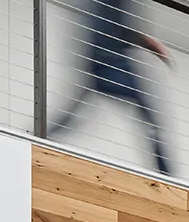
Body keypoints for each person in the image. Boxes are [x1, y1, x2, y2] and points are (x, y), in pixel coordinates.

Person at [46, 0, 175, 175]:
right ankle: (166, 175)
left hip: (102, 63)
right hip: (110, 64)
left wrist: (148, 44)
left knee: (75, 113)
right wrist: (150, 45)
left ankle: (43, 138)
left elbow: (113, 27)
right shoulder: (108, 6)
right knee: (149, 117)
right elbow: (115, 28)